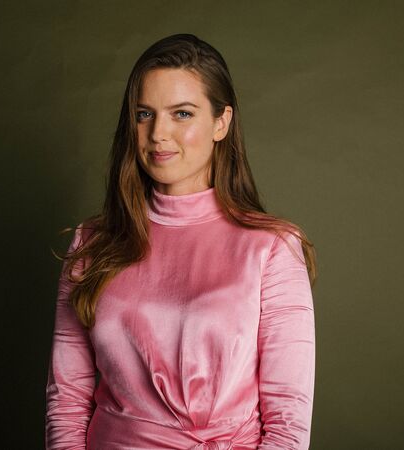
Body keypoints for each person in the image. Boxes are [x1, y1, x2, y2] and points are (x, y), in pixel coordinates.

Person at [45, 33, 317, 449]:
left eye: (182, 113)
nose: (158, 134)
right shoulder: (93, 243)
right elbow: (66, 401)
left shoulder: (272, 248)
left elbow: (287, 422)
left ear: (221, 123)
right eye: (144, 114)